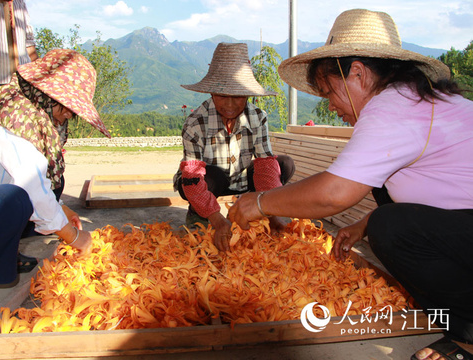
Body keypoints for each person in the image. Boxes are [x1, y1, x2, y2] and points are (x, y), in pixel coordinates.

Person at [228, 9, 473, 360]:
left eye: (329, 91)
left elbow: (333, 193)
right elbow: (426, 187)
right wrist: (363, 223)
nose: (330, 105)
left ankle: (467, 335)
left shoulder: (392, 106)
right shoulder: (414, 100)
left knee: (391, 227)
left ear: (357, 72)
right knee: (383, 209)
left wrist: (260, 203)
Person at [0, 49, 111, 327]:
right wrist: (75, 237)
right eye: (65, 108)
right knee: (13, 200)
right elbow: (29, 184)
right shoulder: (13, 112)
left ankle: (0, 252)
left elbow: (35, 180)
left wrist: (60, 210)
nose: (66, 116)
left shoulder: (10, 103)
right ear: (47, 97)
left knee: (50, 193)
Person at [173, 42, 295, 252]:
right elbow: (193, 178)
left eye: (237, 96)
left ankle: (256, 211)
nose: (229, 104)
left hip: (241, 180)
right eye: (222, 95)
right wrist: (219, 221)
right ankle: (200, 213)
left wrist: (272, 214)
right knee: (211, 177)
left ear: (248, 95)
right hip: (208, 181)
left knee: (283, 164)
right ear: (211, 93)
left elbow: (265, 167)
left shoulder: (258, 118)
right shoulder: (195, 124)